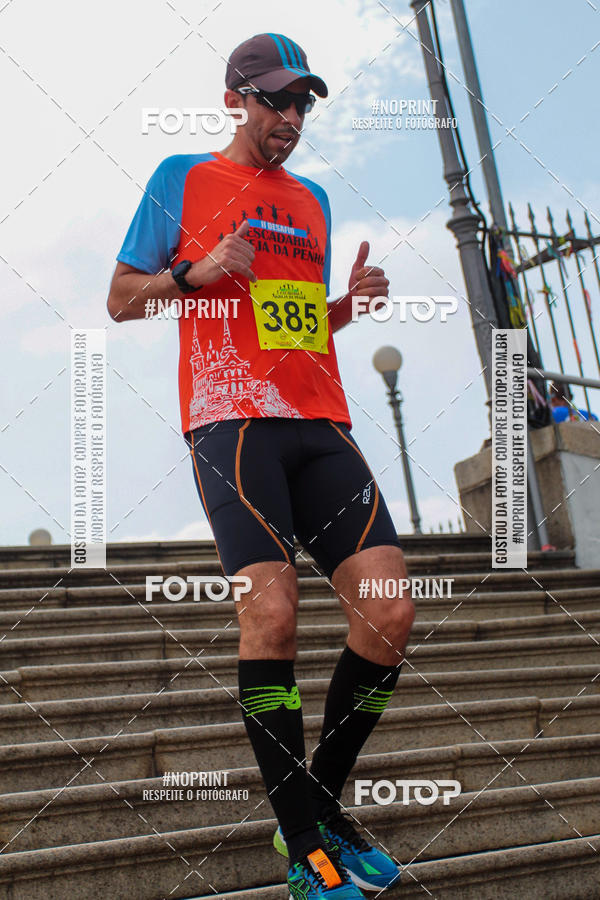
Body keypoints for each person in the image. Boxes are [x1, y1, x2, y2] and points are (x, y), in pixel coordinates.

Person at [107, 32, 415, 899]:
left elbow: (291, 329)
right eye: (276, 101)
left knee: (389, 613)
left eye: (302, 104)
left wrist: (344, 308)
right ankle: (307, 850)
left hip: (319, 420)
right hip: (230, 424)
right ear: (238, 98)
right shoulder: (182, 179)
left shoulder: (310, 200)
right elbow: (123, 297)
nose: (290, 118)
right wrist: (198, 273)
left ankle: (315, 806)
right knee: (272, 619)